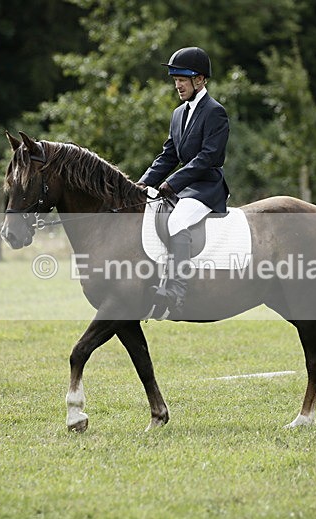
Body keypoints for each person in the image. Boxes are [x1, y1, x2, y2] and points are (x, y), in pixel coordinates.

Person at [138, 46, 230, 318]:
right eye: (175, 80)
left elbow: (208, 157)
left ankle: (177, 291)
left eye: (182, 79)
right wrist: (140, 185)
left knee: (177, 220)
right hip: (185, 187)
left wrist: (172, 183)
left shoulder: (215, 112)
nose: (177, 85)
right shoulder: (178, 113)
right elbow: (168, 155)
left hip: (206, 187)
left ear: (199, 80)